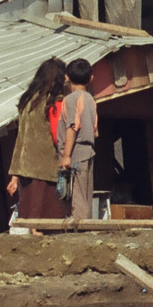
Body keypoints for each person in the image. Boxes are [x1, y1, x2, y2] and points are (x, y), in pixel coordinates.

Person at [7, 58, 69, 221]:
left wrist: (15, 175)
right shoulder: (53, 102)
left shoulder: (27, 101)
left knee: (30, 212)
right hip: (46, 165)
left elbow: (20, 138)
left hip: (26, 166)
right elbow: (58, 136)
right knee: (48, 216)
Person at [60, 58, 98, 219]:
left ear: (67, 77)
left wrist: (66, 155)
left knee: (76, 193)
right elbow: (95, 129)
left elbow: (72, 127)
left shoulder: (71, 99)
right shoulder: (90, 98)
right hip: (89, 150)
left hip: (76, 151)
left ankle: (79, 227)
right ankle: (85, 224)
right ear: (91, 79)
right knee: (86, 193)